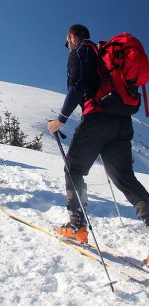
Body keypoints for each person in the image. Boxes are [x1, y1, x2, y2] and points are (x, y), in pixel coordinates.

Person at [47, 24, 149, 245]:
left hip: (98, 118)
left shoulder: (81, 51)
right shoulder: (103, 55)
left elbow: (76, 86)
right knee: (124, 178)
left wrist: (60, 119)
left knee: (73, 168)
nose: (68, 47)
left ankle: (76, 225)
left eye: (67, 42)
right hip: (122, 121)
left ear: (72, 37)